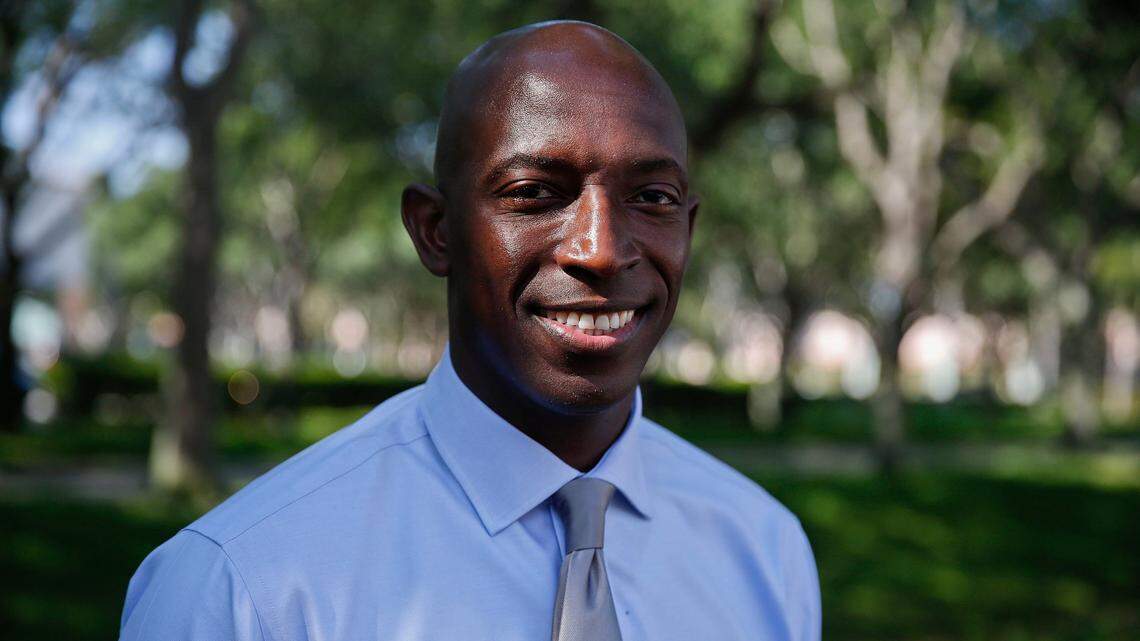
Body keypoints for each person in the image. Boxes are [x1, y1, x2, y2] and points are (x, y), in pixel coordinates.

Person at [119, 20, 820, 641]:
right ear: (435, 231)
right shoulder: (246, 586)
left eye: (651, 197)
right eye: (535, 194)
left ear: (688, 230)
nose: (602, 249)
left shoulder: (765, 550)